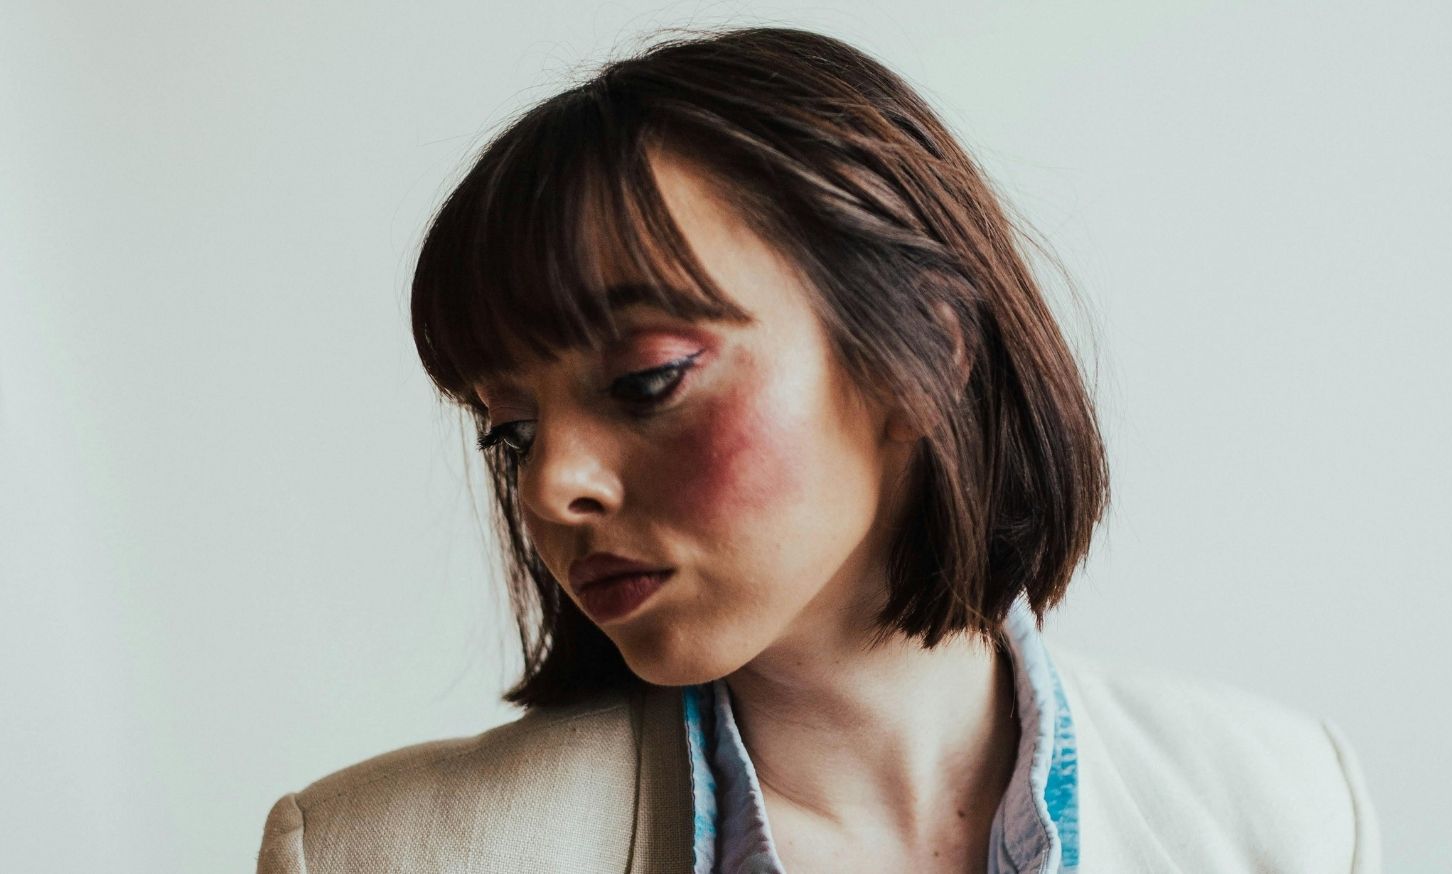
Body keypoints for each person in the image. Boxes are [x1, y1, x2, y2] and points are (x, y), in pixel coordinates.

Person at [255, 25, 1380, 874]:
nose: (550, 486)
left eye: (646, 381)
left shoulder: (1285, 809)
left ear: (921, 354)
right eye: (510, 430)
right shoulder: (371, 854)